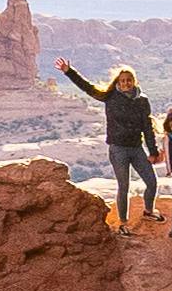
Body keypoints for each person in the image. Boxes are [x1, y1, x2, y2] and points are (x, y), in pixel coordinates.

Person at [59, 57, 161, 227]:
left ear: (134, 81)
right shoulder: (110, 96)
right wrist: (69, 72)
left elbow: (147, 126)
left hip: (136, 148)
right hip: (118, 148)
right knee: (124, 186)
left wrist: (153, 151)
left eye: (129, 80)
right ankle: (123, 223)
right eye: (122, 80)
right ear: (117, 82)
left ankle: (149, 212)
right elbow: (88, 88)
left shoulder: (142, 100)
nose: (126, 83)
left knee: (151, 182)